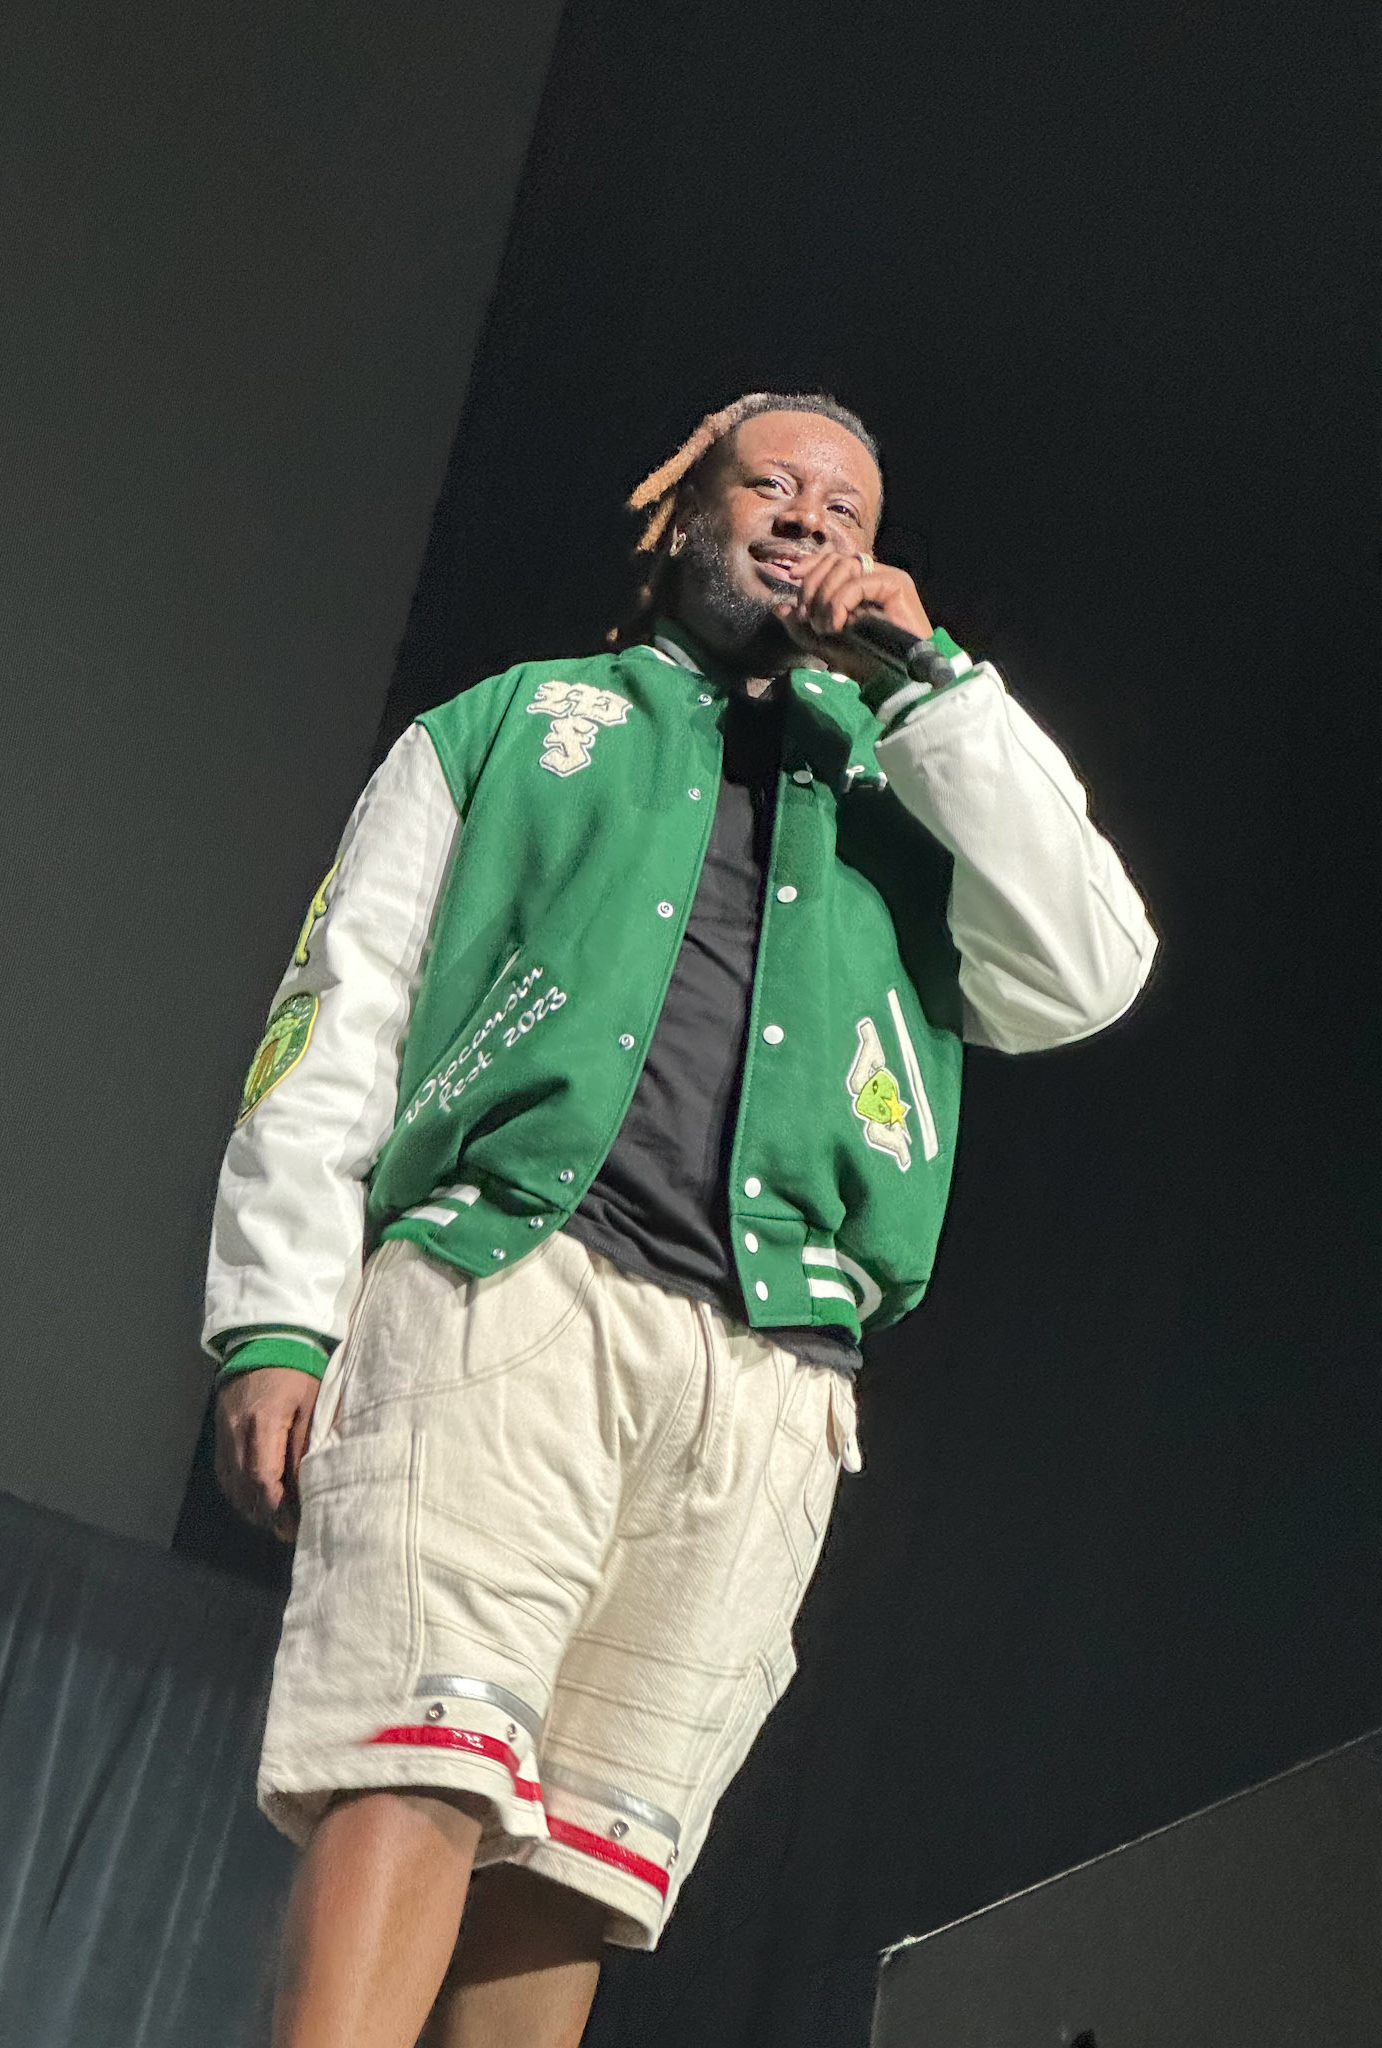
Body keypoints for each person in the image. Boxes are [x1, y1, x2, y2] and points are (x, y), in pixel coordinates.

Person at [204, 391, 1157, 2048]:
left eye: (847, 510)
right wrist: (276, 1319)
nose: (810, 519)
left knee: (580, 1861)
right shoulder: (508, 725)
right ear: (680, 522)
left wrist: (931, 682)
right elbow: (336, 1026)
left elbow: (1090, 967)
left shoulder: (912, 787)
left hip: (770, 1381)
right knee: (419, 1765)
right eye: (771, 485)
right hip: (507, 1293)